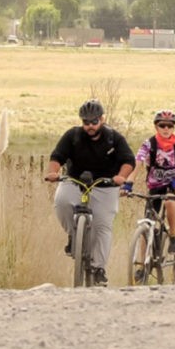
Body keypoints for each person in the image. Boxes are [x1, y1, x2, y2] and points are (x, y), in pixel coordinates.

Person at [43, 99, 135, 286]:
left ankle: (98, 268)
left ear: (102, 119)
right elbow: (57, 156)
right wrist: (53, 172)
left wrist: (121, 176)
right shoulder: (73, 136)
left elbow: (128, 160)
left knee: (103, 226)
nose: (90, 126)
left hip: (106, 185)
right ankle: (74, 236)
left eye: (94, 122)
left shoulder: (113, 138)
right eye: (86, 122)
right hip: (75, 181)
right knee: (61, 201)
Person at [130, 110, 175, 254]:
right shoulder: (149, 144)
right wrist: (130, 180)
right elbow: (138, 161)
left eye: (170, 126)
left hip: (173, 183)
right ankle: (143, 265)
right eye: (162, 125)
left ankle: (173, 236)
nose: (166, 129)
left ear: (173, 128)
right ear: (156, 127)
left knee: (169, 201)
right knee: (147, 224)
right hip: (154, 185)